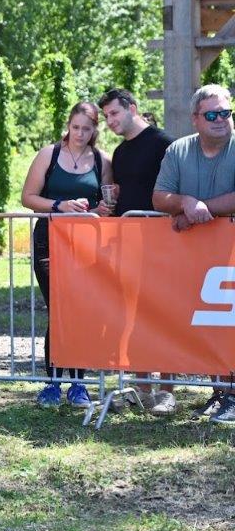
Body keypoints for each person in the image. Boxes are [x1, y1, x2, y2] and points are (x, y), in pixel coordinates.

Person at [21, 101, 113, 409]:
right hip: (49, 241)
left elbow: (105, 202)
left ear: (95, 130)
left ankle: (78, 384)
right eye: (75, 127)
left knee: (80, 311)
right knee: (59, 310)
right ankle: (53, 382)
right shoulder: (49, 155)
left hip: (86, 244)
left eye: (86, 129)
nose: (80, 134)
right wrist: (59, 205)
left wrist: (101, 210)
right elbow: (28, 197)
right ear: (68, 125)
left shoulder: (102, 160)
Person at [152, 84, 235, 423]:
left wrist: (199, 211)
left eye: (226, 113)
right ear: (195, 119)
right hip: (195, 259)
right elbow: (159, 197)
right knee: (211, 323)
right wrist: (185, 202)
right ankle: (221, 393)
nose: (221, 119)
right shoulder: (178, 150)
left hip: (230, 254)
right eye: (212, 114)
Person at [98, 88, 176, 415]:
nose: (110, 121)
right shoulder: (119, 152)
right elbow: (127, 192)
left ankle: (167, 391)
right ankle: (142, 387)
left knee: (165, 316)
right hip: (128, 243)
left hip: (163, 244)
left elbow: (174, 190)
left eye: (114, 113)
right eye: (106, 116)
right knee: (136, 316)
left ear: (132, 108)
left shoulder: (165, 144)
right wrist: (111, 204)